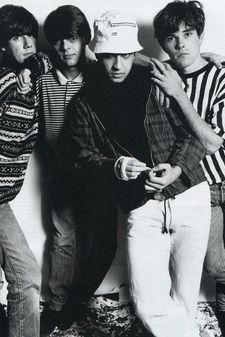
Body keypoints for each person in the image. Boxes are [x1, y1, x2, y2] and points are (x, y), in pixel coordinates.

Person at [61, 9, 211, 337]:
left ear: (135, 53)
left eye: (125, 56)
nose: (118, 65)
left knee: (185, 298)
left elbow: (193, 134)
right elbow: (82, 157)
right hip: (141, 205)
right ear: (97, 54)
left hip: (188, 194)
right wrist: (114, 166)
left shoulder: (161, 80)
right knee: (147, 303)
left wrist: (176, 168)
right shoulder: (84, 103)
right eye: (109, 57)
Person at [151, 1, 225, 337]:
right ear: (162, 43)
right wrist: (168, 81)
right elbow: (120, 60)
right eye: (172, 38)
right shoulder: (160, 77)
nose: (181, 44)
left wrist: (180, 95)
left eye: (188, 34)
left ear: (200, 35)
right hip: (200, 187)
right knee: (215, 262)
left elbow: (214, 142)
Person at [36, 5, 92, 336]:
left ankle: (79, 302)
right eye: (58, 41)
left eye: (72, 39)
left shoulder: (98, 75)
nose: (66, 47)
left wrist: (213, 55)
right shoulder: (42, 75)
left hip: (96, 172)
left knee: (99, 240)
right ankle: (56, 306)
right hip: (59, 172)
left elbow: (133, 60)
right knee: (62, 238)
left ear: (84, 40)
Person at [0, 4, 50, 337]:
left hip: (2, 197)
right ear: (4, 45)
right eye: (18, 37)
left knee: (24, 276)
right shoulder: (4, 81)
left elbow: (50, 60)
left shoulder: (33, 68)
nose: (29, 43)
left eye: (30, 34)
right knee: (26, 275)